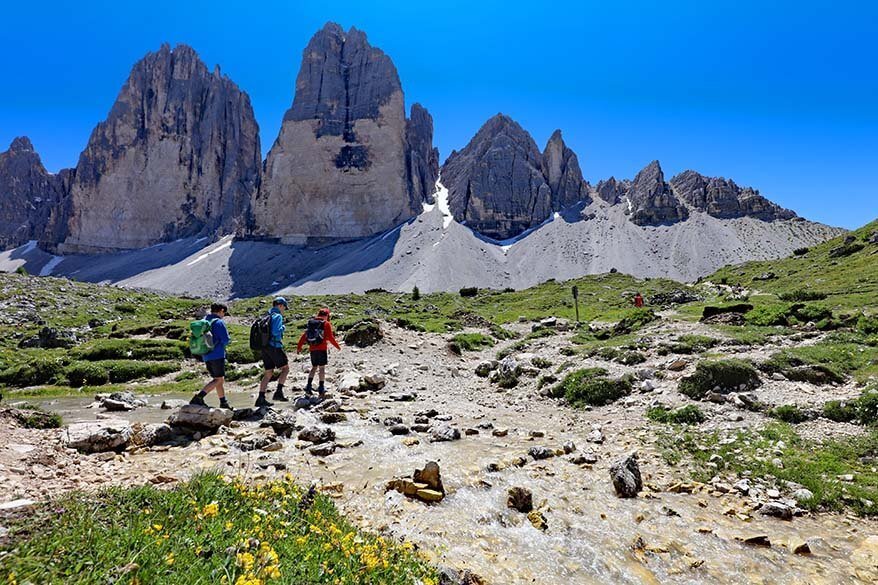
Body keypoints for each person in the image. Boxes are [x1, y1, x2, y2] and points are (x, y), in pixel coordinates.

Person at [189, 303, 232, 409]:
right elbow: (225, 340)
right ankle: (199, 397)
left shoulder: (205, 321)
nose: (223, 315)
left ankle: (223, 402)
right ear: (221, 310)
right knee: (218, 380)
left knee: (218, 379)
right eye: (224, 313)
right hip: (217, 354)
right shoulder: (218, 322)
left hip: (206, 355)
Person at [297, 307, 341, 398]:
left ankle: (308, 386)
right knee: (321, 368)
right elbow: (330, 338)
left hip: (312, 349)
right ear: (327, 315)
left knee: (314, 367)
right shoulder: (326, 324)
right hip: (322, 349)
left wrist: (299, 347)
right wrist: (338, 347)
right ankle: (321, 388)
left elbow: (304, 336)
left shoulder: (311, 323)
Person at [256, 297, 290, 407]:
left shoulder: (267, 316)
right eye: (284, 307)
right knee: (285, 368)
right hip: (275, 346)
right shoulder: (278, 316)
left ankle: (261, 398)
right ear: (280, 305)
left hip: (264, 347)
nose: (284, 309)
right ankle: (278, 393)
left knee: (268, 372)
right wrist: (283, 328)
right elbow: (276, 332)